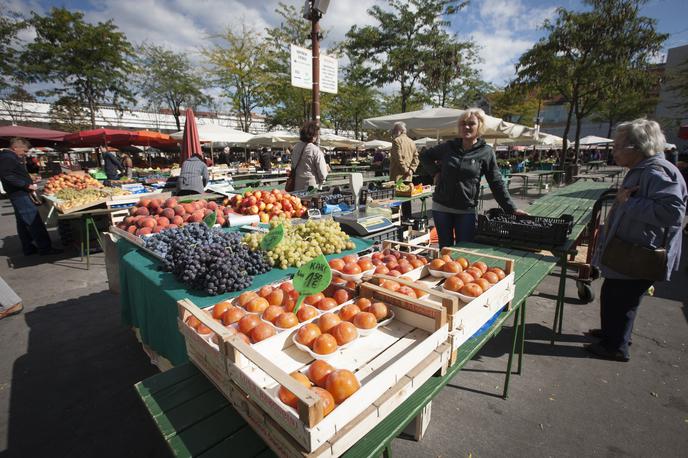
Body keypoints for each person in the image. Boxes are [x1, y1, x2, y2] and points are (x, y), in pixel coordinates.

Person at [587, 119, 687, 362]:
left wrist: (628, 203)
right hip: (630, 250)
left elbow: (673, 213)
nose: (614, 151)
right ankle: (613, 333)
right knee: (614, 294)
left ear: (637, 147)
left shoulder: (656, 172)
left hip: (639, 254)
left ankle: (616, 346)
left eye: (618, 146)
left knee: (623, 298)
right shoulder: (644, 169)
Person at [420, 107, 525, 248]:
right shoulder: (448, 147)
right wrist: (435, 173)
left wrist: (511, 208)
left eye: (471, 123)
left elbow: (496, 182)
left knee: (464, 250)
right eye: (463, 123)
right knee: (445, 250)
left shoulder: (486, 152)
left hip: (466, 210)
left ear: (479, 126)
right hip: (441, 208)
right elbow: (425, 156)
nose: (466, 127)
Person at [0, 138, 61, 257]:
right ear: (15, 147)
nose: (25, 154)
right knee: (34, 221)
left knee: (22, 223)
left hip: (18, 193)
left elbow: (12, 174)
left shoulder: (8, 157)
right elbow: (7, 176)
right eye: (24, 151)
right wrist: (26, 185)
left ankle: (28, 247)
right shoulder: (7, 157)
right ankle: (45, 248)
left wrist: (29, 178)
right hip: (20, 194)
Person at [291, 121, 328, 191]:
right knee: (311, 201)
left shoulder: (295, 147)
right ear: (313, 135)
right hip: (311, 186)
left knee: (298, 202)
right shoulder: (315, 150)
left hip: (297, 184)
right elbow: (323, 174)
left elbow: (293, 165)